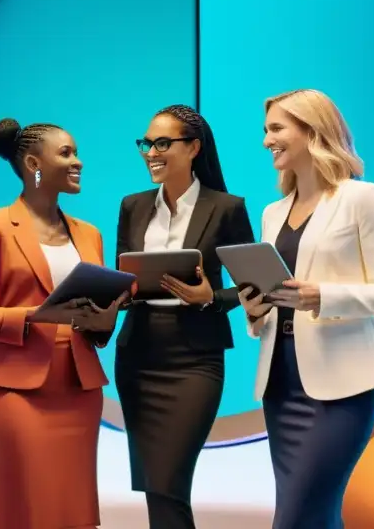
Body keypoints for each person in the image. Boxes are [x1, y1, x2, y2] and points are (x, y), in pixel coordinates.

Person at [238, 89, 374, 529]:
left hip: (341, 390)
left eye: (276, 128)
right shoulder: (273, 213)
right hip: (282, 381)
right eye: (265, 130)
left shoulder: (362, 198)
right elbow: (276, 304)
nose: (265, 141)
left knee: (297, 517)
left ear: (312, 130)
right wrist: (255, 309)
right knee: (316, 516)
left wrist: (323, 297)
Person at [0, 118, 128, 529]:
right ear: (34, 163)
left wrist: (105, 317)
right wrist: (40, 315)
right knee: (25, 508)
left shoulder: (89, 234)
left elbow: (96, 326)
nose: (79, 162)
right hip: (18, 390)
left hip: (78, 387)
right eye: (66, 153)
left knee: (73, 511)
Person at [114, 104, 255, 529]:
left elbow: (253, 285)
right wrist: (114, 294)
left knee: (170, 478)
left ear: (194, 148)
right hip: (138, 355)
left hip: (195, 360)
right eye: (146, 143)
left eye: (162, 143)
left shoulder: (227, 207)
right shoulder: (132, 206)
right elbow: (122, 274)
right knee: (156, 483)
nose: (150, 152)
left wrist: (213, 295)